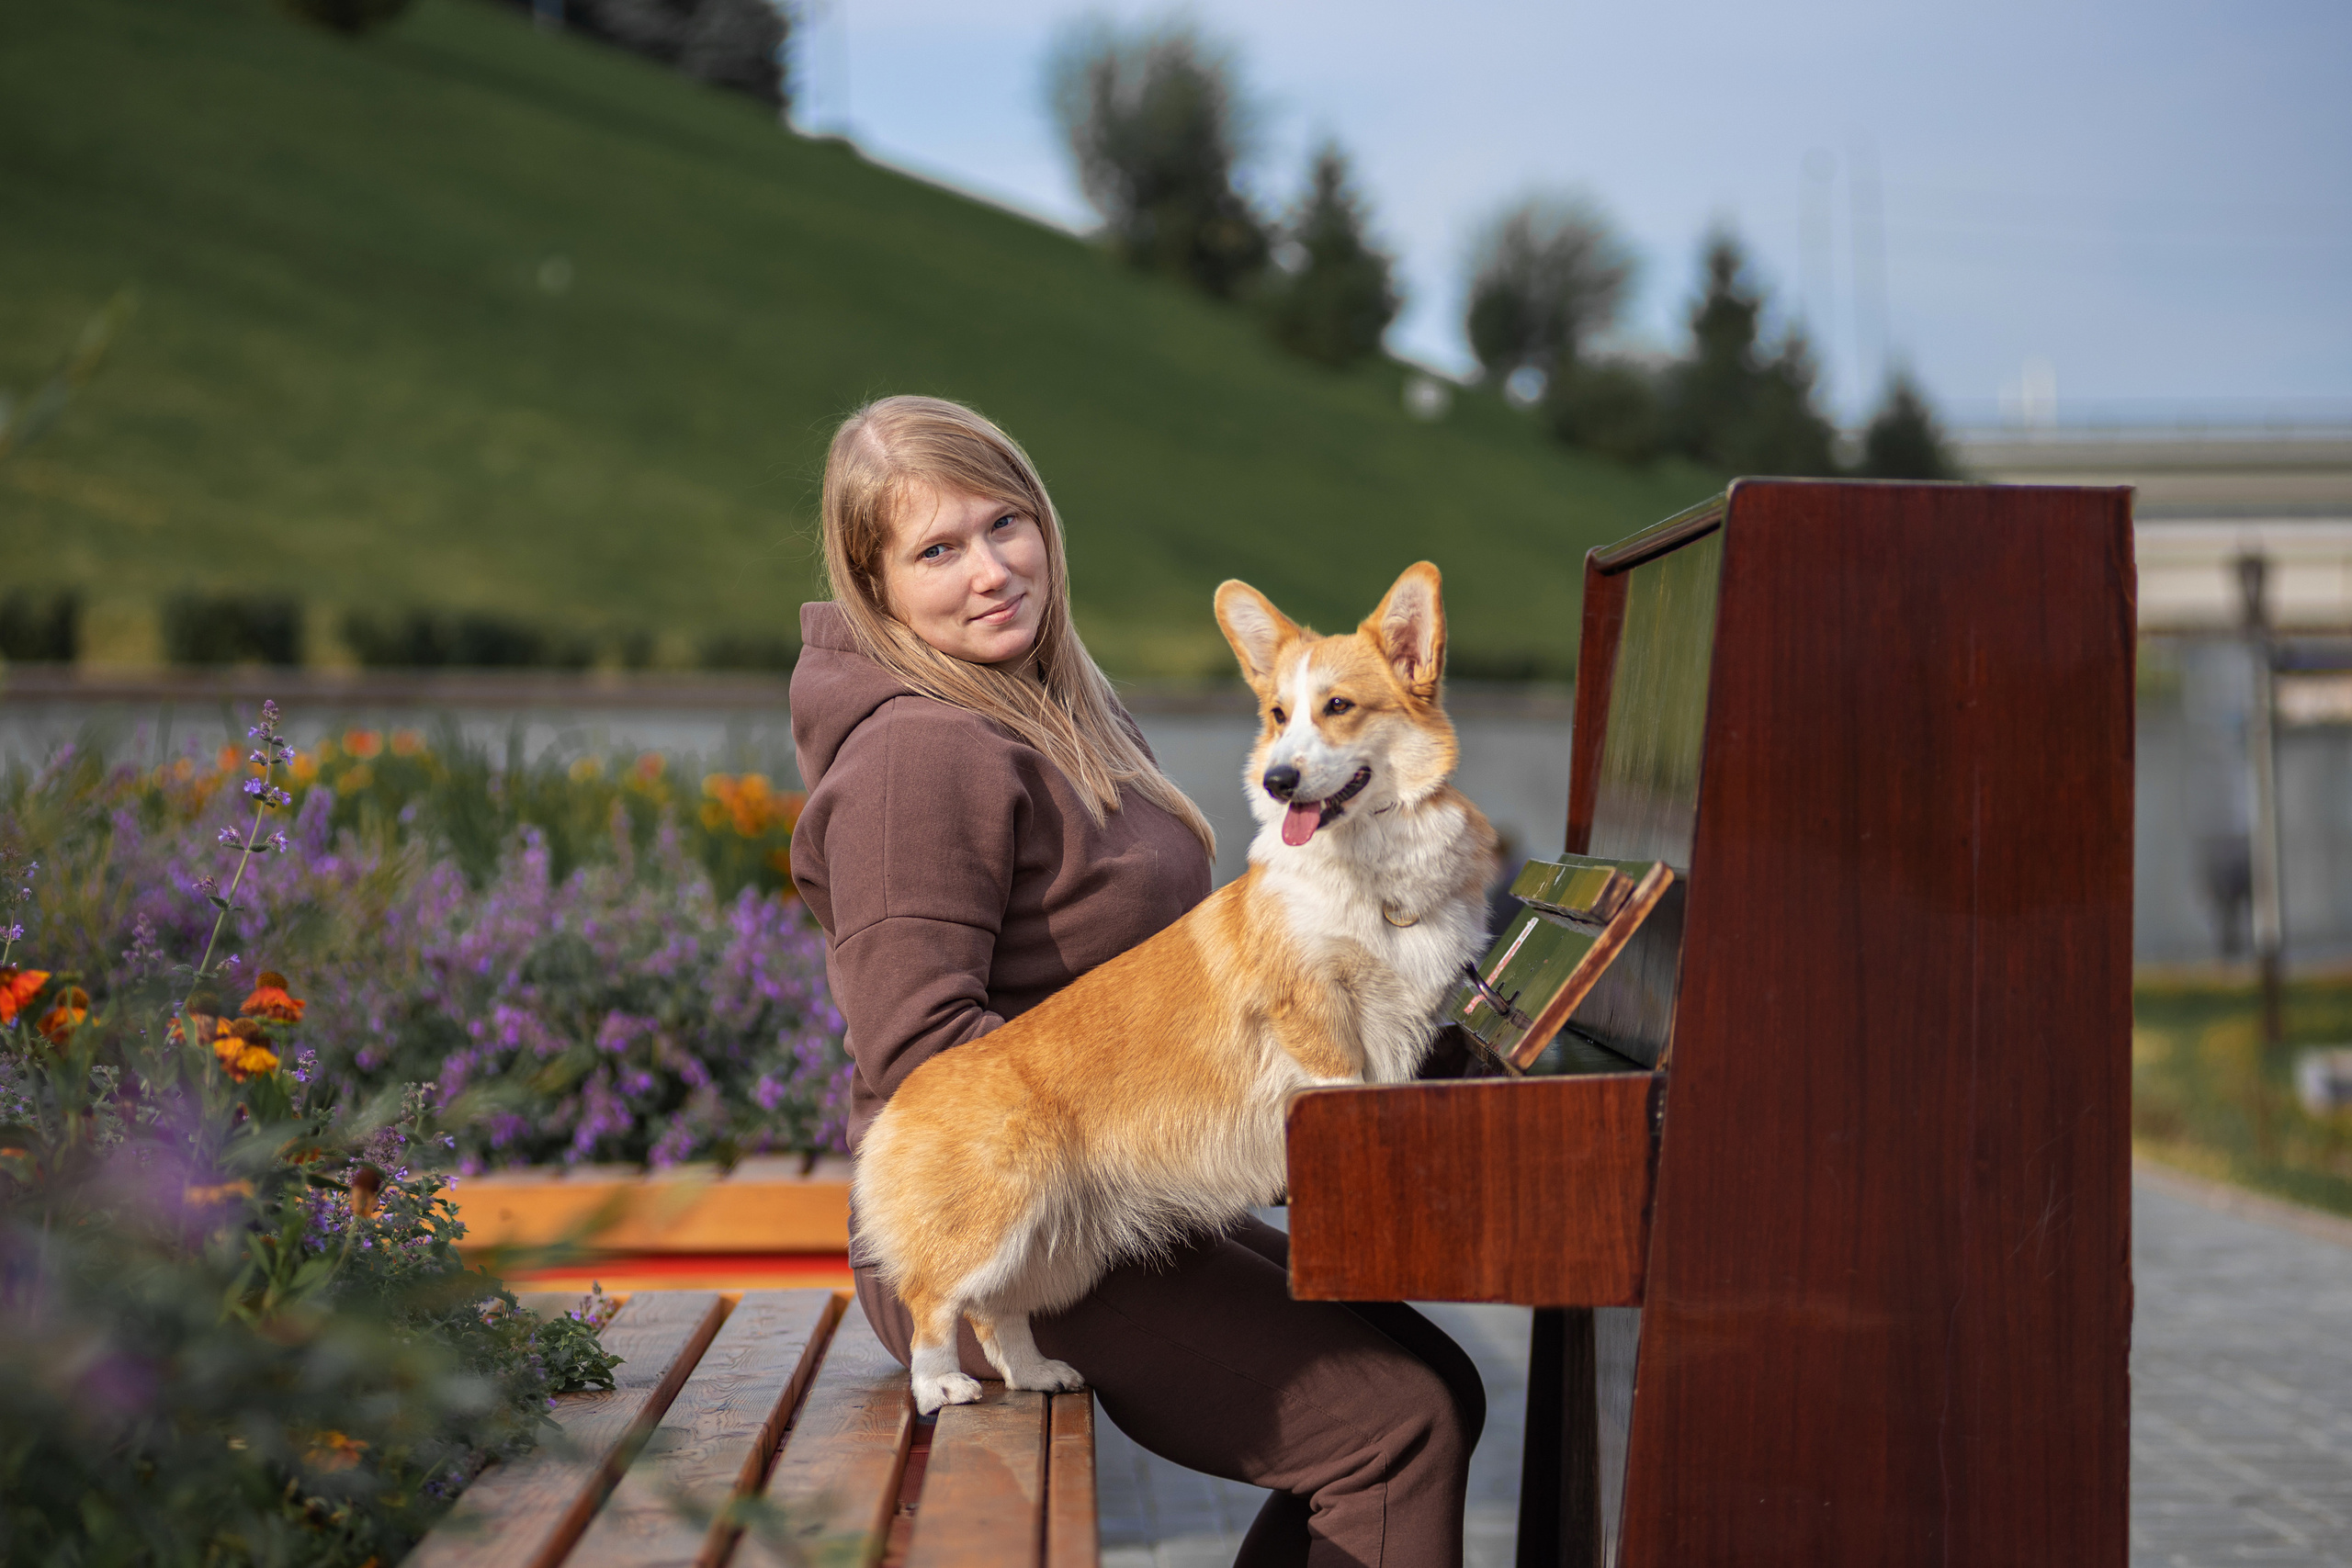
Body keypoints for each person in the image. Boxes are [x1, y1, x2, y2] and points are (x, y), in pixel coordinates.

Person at [788, 395, 1485, 1566]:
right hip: (1009, 1221)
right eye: (935, 550)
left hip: (1115, 1186)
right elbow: (922, 1060)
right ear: (877, 585)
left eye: (1005, 524)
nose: (990, 572)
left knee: (1439, 1383)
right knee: (1392, 1428)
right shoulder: (919, 755)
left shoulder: (1058, 708)